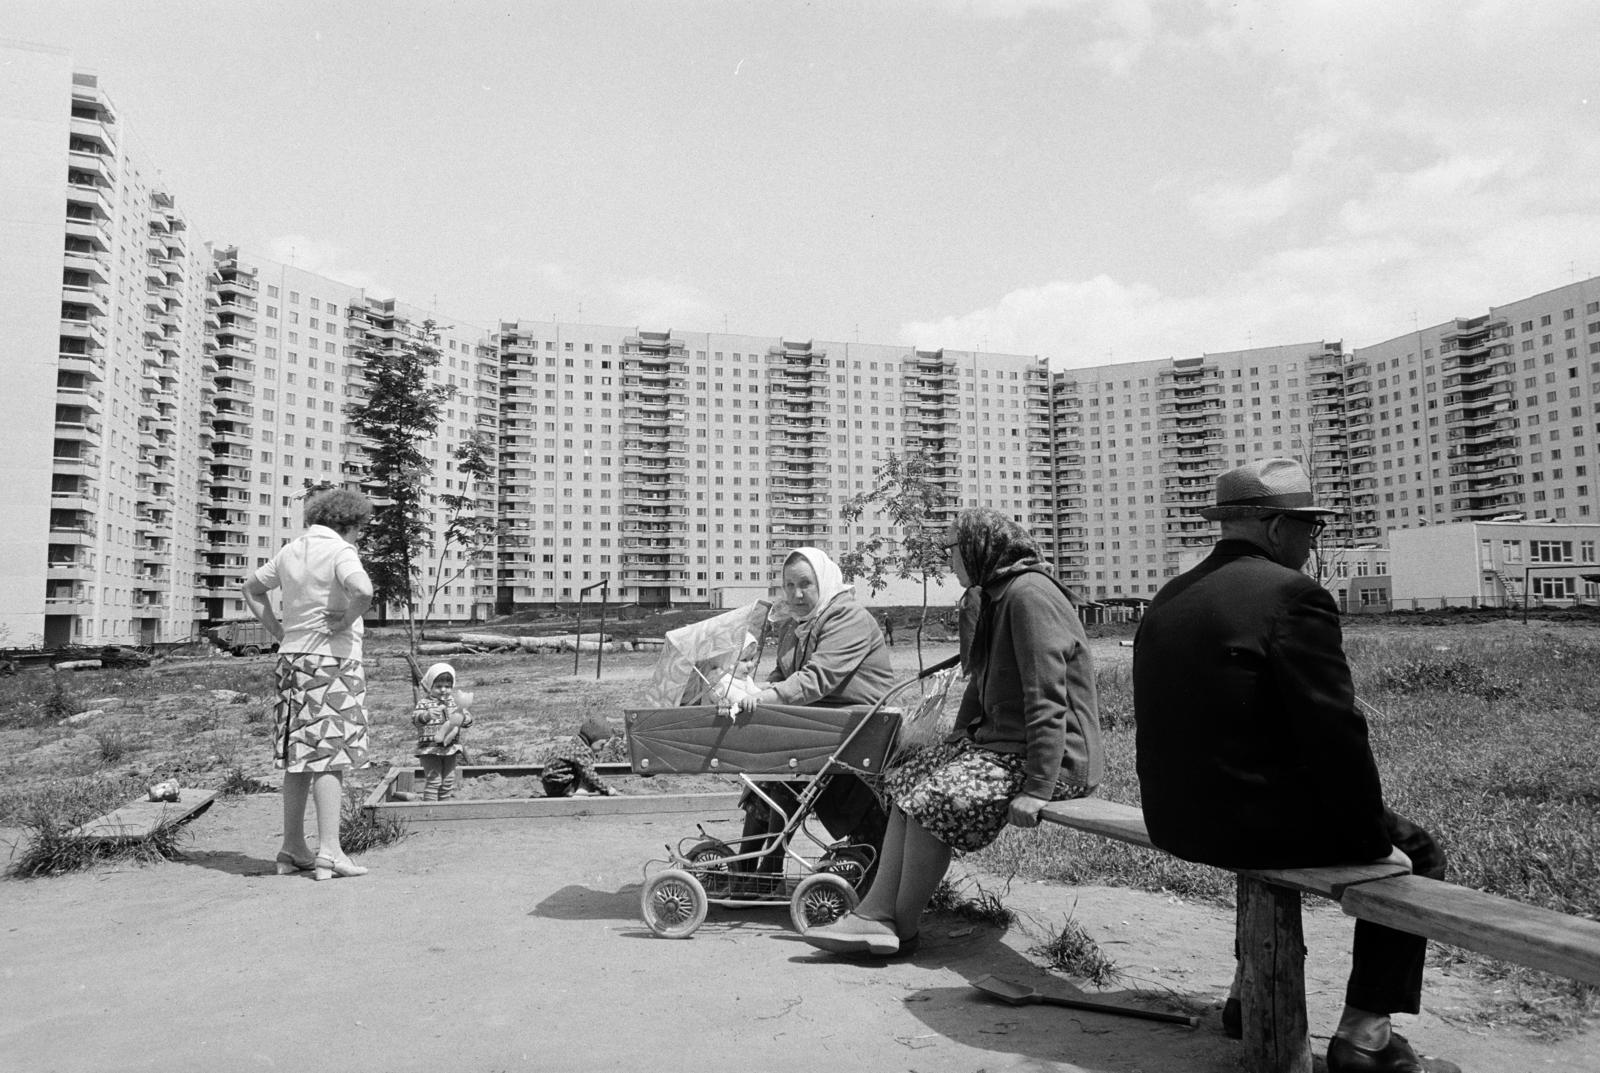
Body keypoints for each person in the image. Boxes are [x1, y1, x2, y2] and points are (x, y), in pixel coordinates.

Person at [1132, 458, 1457, 1073]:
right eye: (1309, 528)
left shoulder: (1170, 595)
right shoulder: (1294, 596)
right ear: (1277, 527)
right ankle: (1366, 1036)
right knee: (1417, 851)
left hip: (1174, 819)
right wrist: (1368, 842)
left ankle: (1243, 997)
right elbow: (1336, 734)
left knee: (1268, 818)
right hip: (1250, 827)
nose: (1312, 542)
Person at [803, 508, 1103, 956]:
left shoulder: (1030, 597)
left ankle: (895, 924)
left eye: (953, 550)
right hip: (1006, 748)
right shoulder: (997, 595)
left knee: (935, 796)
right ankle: (880, 913)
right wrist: (960, 735)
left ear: (982, 549)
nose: (949, 561)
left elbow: (1047, 699)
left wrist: (1039, 787)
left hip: (1058, 762)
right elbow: (980, 681)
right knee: (906, 779)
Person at [735, 547, 896, 873]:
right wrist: (751, 691)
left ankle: (757, 872)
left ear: (823, 581)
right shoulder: (795, 625)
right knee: (771, 776)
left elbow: (816, 679)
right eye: (789, 585)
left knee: (779, 773)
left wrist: (768, 697)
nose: (796, 594)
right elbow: (782, 677)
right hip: (824, 729)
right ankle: (751, 870)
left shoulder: (847, 617)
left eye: (805, 584)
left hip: (860, 733)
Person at [242, 488, 375, 882]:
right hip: (331, 660)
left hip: (292, 659)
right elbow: (363, 591)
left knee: (298, 757)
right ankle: (330, 852)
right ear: (348, 524)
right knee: (331, 756)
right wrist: (347, 619)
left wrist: (279, 631)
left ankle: (292, 847)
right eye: (359, 529)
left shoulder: (290, 550)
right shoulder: (340, 551)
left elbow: (251, 589)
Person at [412, 662, 474, 801]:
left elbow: (468, 720)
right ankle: (430, 809)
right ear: (430, 686)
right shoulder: (424, 703)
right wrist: (426, 715)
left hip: (450, 748)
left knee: (447, 781)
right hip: (430, 749)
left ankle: (444, 807)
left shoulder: (454, 702)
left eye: (447, 686)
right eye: (438, 686)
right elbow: (415, 720)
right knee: (434, 780)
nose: (443, 690)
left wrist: (464, 718)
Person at [540, 715, 620, 798]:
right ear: (593, 737)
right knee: (587, 781)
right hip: (561, 786)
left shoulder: (574, 744)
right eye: (602, 744)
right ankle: (577, 803)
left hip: (551, 784)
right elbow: (590, 776)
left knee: (584, 776)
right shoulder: (582, 751)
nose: (602, 748)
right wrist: (608, 789)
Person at [710, 633, 764, 707]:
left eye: (751, 659)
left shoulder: (745, 678)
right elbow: (729, 692)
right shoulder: (718, 680)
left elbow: (752, 690)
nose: (750, 665)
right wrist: (744, 698)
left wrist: (762, 694)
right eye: (744, 660)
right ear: (725, 660)